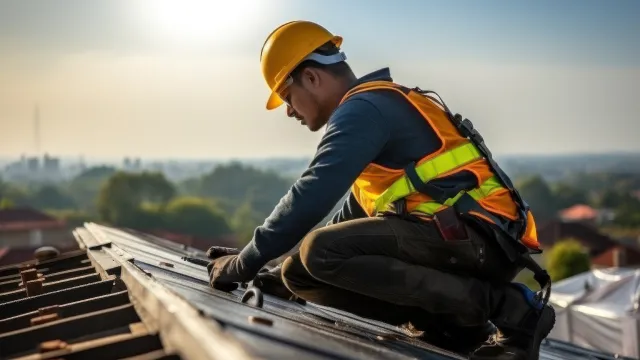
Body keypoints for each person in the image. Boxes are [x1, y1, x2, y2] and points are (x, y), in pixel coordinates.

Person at [206, 20, 555, 360]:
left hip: (481, 239)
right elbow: (347, 222)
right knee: (299, 272)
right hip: (465, 241)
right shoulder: (373, 110)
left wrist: (243, 263)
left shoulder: (364, 110)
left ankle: (512, 310)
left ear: (311, 77)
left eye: (287, 96)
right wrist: (273, 267)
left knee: (320, 253)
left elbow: (310, 195)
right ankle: (452, 326)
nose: (288, 112)